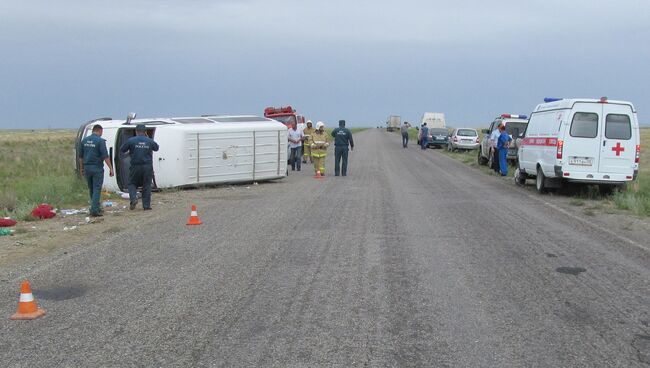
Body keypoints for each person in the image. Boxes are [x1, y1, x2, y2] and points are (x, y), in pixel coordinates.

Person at [119, 124, 160, 210]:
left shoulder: (131, 140)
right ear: (145, 132)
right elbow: (156, 148)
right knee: (147, 185)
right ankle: (146, 206)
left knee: (132, 183)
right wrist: (148, 138)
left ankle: (133, 198)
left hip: (135, 166)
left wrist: (131, 150)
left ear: (136, 131)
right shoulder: (149, 141)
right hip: (147, 166)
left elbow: (122, 149)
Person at [78, 124, 114, 217]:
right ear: (100, 131)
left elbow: (80, 157)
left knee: (91, 189)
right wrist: (111, 168)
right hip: (96, 168)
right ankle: (94, 210)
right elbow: (105, 156)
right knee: (97, 188)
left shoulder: (84, 141)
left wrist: (81, 168)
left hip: (87, 168)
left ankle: (95, 207)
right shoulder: (100, 141)